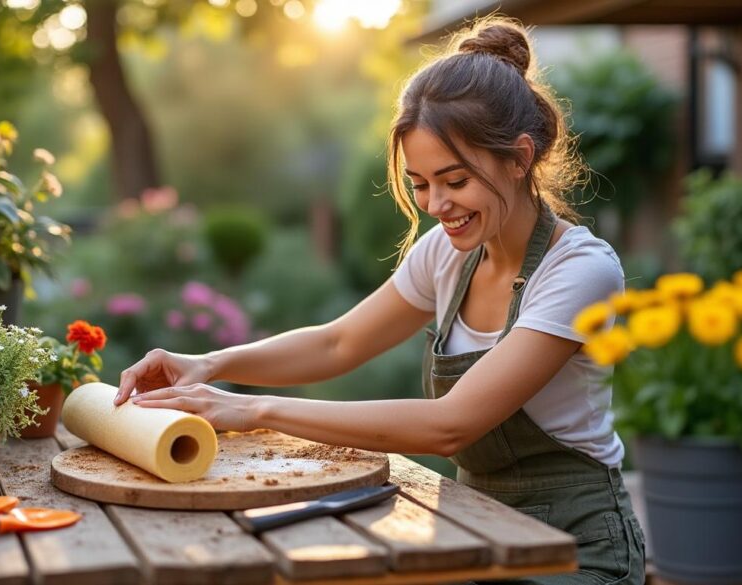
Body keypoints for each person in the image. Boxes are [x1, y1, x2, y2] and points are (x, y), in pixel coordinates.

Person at [115, 17, 645, 585]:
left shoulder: (580, 271)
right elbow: (338, 342)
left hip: (577, 548)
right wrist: (211, 364)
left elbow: (451, 426)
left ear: (519, 158)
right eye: (420, 184)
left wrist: (252, 410)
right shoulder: (446, 252)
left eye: (455, 180)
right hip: (475, 529)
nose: (436, 204)